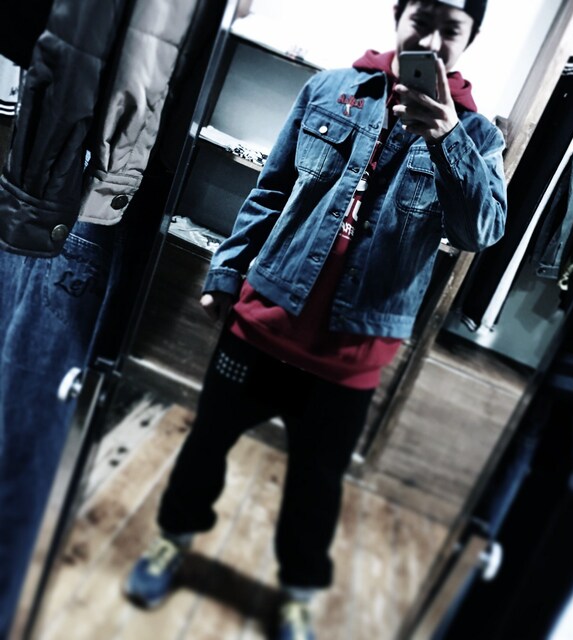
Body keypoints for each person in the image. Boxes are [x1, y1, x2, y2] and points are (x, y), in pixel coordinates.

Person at [124, 1, 506, 638]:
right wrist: (225, 272)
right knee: (205, 445)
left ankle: (299, 591)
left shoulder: (478, 136)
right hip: (263, 321)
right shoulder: (329, 88)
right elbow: (270, 189)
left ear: (471, 39)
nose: (434, 39)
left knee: (316, 486)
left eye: (452, 28)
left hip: (351, 354)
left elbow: (481, 231)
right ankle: (173, 539)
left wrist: (447, 140)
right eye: (423, 19)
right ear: (398, 15)